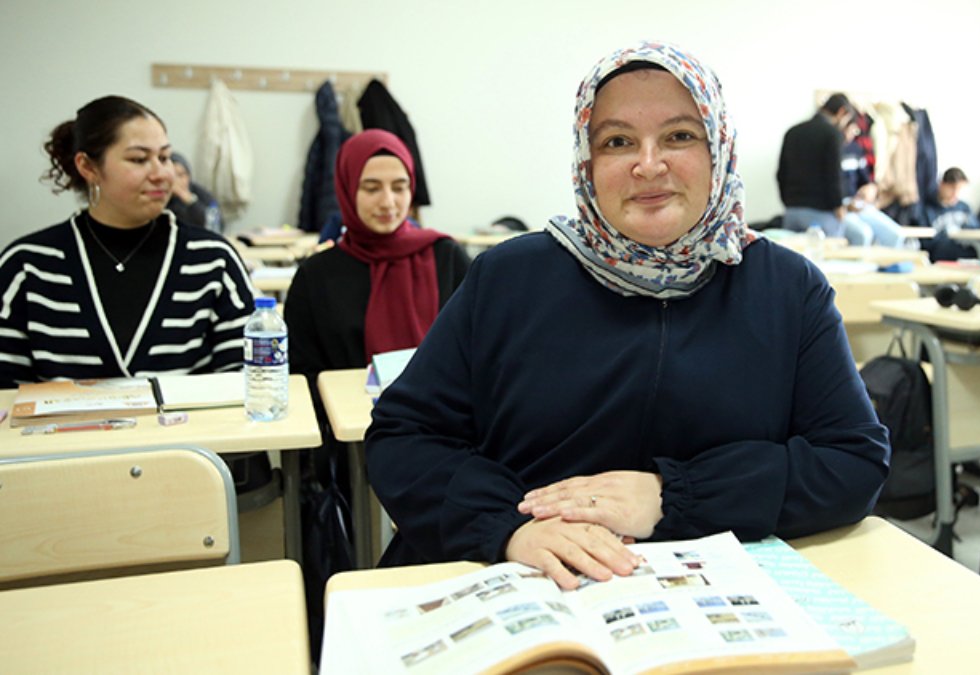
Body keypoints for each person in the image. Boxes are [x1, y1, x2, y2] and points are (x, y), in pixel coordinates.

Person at [365, 43, 890, 589]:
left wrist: (674, 495)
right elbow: (404, 437)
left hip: (709, 597)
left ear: (719, 148)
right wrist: (508, 528)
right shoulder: (508, 277)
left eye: (679, 136)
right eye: (617, 142)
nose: (649, 165)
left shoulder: (788, 289)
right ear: (587, 163)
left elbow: (853, 460)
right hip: (518, 581)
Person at [0, 95, 256, 389]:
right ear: (88, 167)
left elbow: (247, 378)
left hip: (189, 422)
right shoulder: (27, 266)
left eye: (165, 157)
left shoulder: (212, 258)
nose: (161, 174)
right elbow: (5, 394)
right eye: (139, 160)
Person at [285, 128, 470, 382]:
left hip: (442, 405)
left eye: (399, 187)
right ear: (347, 189)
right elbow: (301, 375)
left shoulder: (446, 258)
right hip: (345, 407)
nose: (388, 202)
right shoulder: (316, 275)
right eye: (372, 189)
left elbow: (481, 347)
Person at [777, 93, 858, 240]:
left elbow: (781, 174)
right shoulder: (833, 135)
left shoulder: (792, 132)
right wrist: (838, 205)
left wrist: (789, 202)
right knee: (828, 254)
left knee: (792, 253)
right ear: (841, 112)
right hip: (822, 214)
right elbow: (833, 175)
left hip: (792, 211)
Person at [917, 167, 980, 262]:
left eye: (959, 189)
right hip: (938, 255)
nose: (955, 193)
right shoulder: (927, 209)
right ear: (942, 184)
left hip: (965, 252)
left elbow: (976, 232)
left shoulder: (964, 208)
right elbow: (925, 241)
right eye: (952, 188)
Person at [165, 151, 223, 232]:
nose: (177, 181)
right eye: (172, 176)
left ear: (188, 176)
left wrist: (190, 200)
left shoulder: (201, 194)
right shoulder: (159, 196)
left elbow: (214, 224)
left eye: (181, 175)